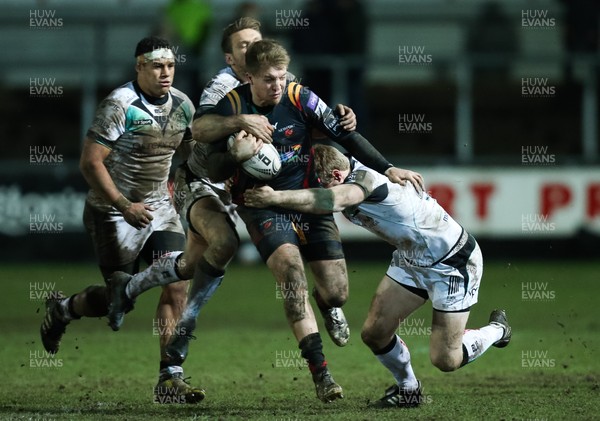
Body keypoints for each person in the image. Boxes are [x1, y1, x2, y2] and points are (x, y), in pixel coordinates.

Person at [107, 17, 360, 374]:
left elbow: (298, 122)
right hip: (203, 180)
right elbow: (202, 138)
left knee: (191, 264)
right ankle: (185, 329)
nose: (252, 49)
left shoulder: (276, 81)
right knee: (223, 244)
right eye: (243, 46)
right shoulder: (222, 90)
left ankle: (129, 287)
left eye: (257, 42)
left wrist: (337, 121)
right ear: (231, 59)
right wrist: (239, 125)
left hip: (240, 182)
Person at [202, 39, 424, 403]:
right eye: (269, 79)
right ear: (251, 77)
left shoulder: (300, 97)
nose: (277, 84)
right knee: (292, 278)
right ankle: (321, 374)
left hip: (307, 200)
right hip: (261, 205)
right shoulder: (232, 107)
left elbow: (344, 133)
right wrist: (236, 157)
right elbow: (213, 166)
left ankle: (328, 306)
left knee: (337, 291)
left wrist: (387, 167)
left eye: (281, 77)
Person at [243, 144, 512, 408]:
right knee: (374, 333)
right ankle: (409, 390)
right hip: (411, 260)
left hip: (452, 262)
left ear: (337, 177)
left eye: (320, 184)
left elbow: (330, 200)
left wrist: (274, 197)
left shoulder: (365, 180)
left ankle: (498, 330)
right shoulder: (343, 170)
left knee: (445, 359)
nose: (315, 189)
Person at [39, 36, 205, 404]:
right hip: (113, 212)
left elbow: (190, 154)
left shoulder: (183, 105)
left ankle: (169, 377)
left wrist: (192, 186)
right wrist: (123, 203)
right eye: (157, 66)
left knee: (177, 280)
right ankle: (64, 309)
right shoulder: (120, 104)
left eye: (171, 66)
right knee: (119, 298)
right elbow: (90, 162)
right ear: (139, 67)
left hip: (159, 208)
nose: (166, 73)